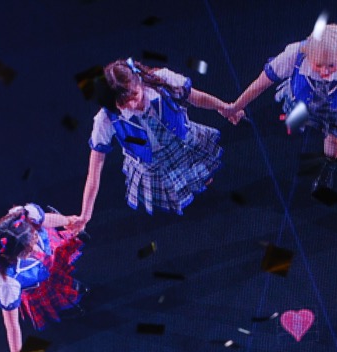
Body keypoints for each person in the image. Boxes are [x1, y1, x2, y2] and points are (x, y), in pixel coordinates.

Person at [69, 59, 231, 231]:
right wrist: (85, 215)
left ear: (138, 81)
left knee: (202, 177)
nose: (132, 105)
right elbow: (94, 173)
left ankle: (209, 192)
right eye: (122, 103)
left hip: (180, 143)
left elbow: (195, 97)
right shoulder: (106, 119)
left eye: (134, 96)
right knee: (175, 198)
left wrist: (224, 108)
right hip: (151, 161)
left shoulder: (160, 81)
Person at [224, 22, 337, 192]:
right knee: (292, 123)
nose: (324, 72)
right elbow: (260, 84)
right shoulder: (293, 55)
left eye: (331, 66)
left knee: (335, 139)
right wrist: (235, 107)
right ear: (308, 54)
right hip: (303, 101)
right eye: (318, 65)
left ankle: (327, 167)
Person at [0, 204, 83, 352]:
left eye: (35, 236)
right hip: (36, 284)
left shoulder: (24, 218)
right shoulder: (6, 281)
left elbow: (45, 220)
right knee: (57, 297)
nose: (37, 250)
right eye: (30, 250)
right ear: (17, 255)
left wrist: (70, 221)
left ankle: (69, 287)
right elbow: (12, 325)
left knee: (62, 271)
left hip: (52, 259)